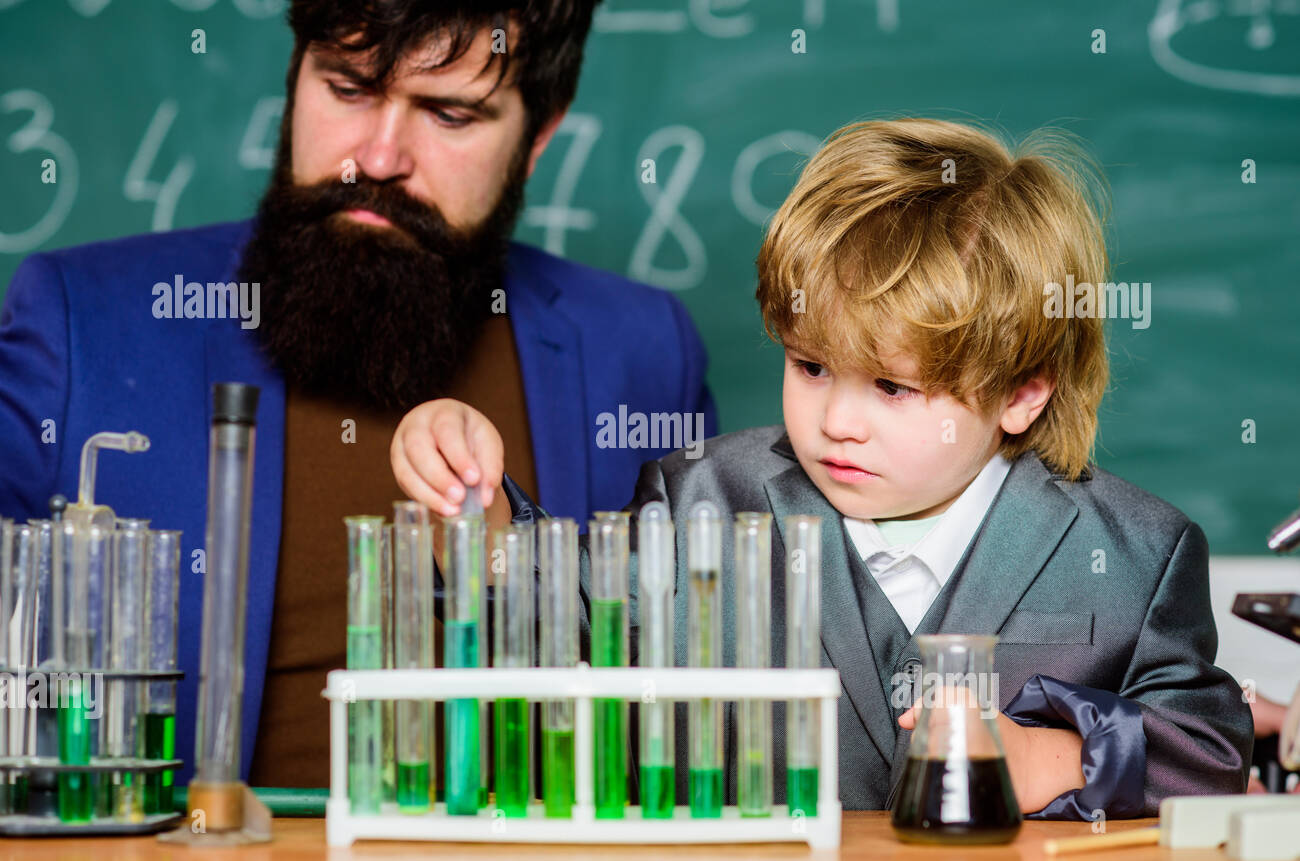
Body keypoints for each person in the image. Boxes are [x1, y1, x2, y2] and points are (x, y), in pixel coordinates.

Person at [392, 117, 1252, 818]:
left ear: (1022, 394)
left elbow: (1209, 749)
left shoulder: (1138, 550)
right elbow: (561, 626)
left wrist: (1056, 754)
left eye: (892, 385)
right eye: (810, 366)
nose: (837, 421)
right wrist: (469, 511)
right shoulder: (703, 498)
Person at [0, 1, 717, 786]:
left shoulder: (645, 349)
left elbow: (689, 710)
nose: (376, 159)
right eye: (347, 88)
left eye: (449, 114)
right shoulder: (81, 324)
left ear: (538, 135)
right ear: (295, 75)